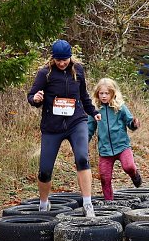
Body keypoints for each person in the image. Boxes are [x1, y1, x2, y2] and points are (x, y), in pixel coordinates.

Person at [27, 40, 100, 217]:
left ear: (70, 57)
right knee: (45, 169)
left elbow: (83, 95)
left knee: (82, 158)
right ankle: (44, 204)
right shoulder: (45, 73)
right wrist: (36, 99)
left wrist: (93, 112)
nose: (61, 63)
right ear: (53, 58)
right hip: (52, 126)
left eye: (64, 59)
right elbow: (31, 96)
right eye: (58, 60)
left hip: (77, 122)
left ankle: (88, 203)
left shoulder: (78, 70)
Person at [88, 78, 142, 200]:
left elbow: (129, 121)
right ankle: (109, 203)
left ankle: (135, 176)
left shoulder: (120, 107)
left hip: (122, 145)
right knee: (104, 177)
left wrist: (134, 123)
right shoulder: (95, 109)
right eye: (101, 93)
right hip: (105, 149)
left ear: (113, 93)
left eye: (107, 93)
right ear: (97, 94)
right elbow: (89, 128)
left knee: (129, 166)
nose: (104, 96)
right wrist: (83, 141)